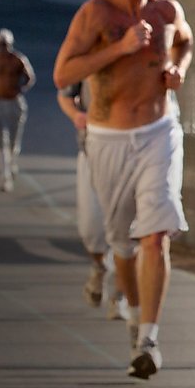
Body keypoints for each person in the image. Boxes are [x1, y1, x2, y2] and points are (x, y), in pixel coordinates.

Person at [52, 0, 193, 379]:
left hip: (159, 130)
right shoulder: (94, 13)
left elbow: (185, 41)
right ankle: (134, 314)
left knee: (156, 234)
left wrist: (177, 68)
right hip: (108, 137)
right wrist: (121, 47)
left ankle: (149, 336)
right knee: (122, 245)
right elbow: (62, 75)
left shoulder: (167, 10)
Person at [57, 80, 125, 317]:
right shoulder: (88, 53)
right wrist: (76, 115)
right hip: (92, 152)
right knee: (91, 229)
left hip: (132, 157)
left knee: (126, 230)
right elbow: (65, 93)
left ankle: (120, 295)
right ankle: (99, 266)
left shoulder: (143, 52)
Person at [0, 29, 37, 193]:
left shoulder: (18, 59)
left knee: (13, 140)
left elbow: (30, 77)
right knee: (1, 141)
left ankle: (12, 162)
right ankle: (5, 177)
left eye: (5, 45)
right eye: (0, 45)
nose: (3, 48)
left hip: (14, 101)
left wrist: (20, 88)